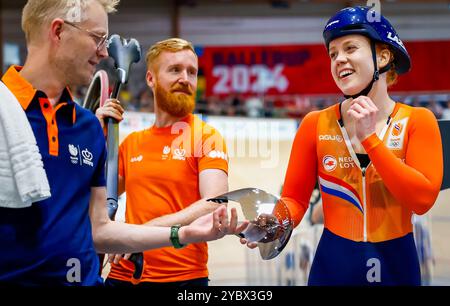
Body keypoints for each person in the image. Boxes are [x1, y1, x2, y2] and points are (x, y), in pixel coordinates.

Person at [0, 0, 246, 286]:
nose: (104, 51)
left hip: (175, 278)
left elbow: (99, 227)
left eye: (192, 72)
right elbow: (104, 214)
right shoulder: (117, 137)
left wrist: (168, 233)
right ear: (58, 32)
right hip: (122, 275)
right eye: (97, 38)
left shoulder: (88, 127)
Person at [246, 6, 443, 286]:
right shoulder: (314, 124)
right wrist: (274, 221)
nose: (339, 59)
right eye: (333, 54)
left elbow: (422, 201)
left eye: (350, 48)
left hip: (396, 265)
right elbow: (295, 200)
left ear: (384, 56)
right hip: (333, 264)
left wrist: (370, 140)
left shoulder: (418, 120)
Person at [96, 38, 230, 287]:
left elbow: (215, 204)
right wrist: (94, 135)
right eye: (175, 70)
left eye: (192, 72)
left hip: (181, 278)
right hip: (123, 274)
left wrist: (144, 232)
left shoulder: (207, 137)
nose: (186, 79)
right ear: (151, 79)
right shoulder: (131, 143)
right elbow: (97, 201)